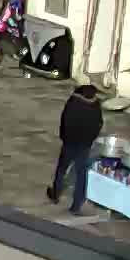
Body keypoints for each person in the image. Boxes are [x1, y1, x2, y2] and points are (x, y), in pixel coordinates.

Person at [48, 83, 102, 215]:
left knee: (61, 169)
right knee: (81, 174)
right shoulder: (96, 104)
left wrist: (64, 138)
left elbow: (65, 120)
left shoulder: (74, 102)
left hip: (70, 143)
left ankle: (55, 194)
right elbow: (99, 123)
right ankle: (76, 205)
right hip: (85, 145)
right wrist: (90, 140)